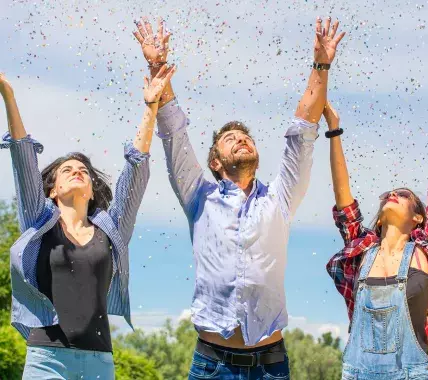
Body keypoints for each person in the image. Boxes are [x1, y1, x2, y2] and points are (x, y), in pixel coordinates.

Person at [132, 16, 345, 379]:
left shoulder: (279, 198)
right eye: (230, 139)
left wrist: (321, 65)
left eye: (245, 137)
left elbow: (303, 129)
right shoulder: (199, 197)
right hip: (213, 364)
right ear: (215, 161)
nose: (241, 139)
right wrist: (156, 66)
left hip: (271, 365)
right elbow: (174, 134)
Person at [0, 65, 175, 380]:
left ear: (92, 189)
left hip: (98, 363)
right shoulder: (39, 221)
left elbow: (134, 175)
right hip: (46, 360)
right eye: (67, 170)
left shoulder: (111, 229)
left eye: (83, 170)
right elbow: (23, 158)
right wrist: (7, 93)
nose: (77, 171)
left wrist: (151, 108)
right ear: (52, 190)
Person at [325, 100, 428, 379]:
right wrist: (333, 128)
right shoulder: (361, 249)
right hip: (358, 374)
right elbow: (343, 195)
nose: (393, 194)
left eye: (405, 195)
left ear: (418, 218)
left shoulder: (425, 248)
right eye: (390, 193)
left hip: (414, 374)